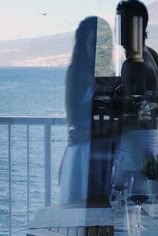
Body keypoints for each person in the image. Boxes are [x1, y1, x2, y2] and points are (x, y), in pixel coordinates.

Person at [114, 0, 158, 178]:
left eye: (120, 22)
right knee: (153, 203)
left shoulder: (131, 64)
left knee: (128, 203)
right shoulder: (157, 58)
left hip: (133, 148)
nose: (115, 28)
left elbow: (129, 115)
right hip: (154, 144)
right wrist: (147, 109)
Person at [59, 16, 114, 204]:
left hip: (104, 150)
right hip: (83, 151)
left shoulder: (107, 73)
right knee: (80, 208)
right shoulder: (75, 72)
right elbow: (73, 119)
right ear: (84, 43)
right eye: (94, 41)